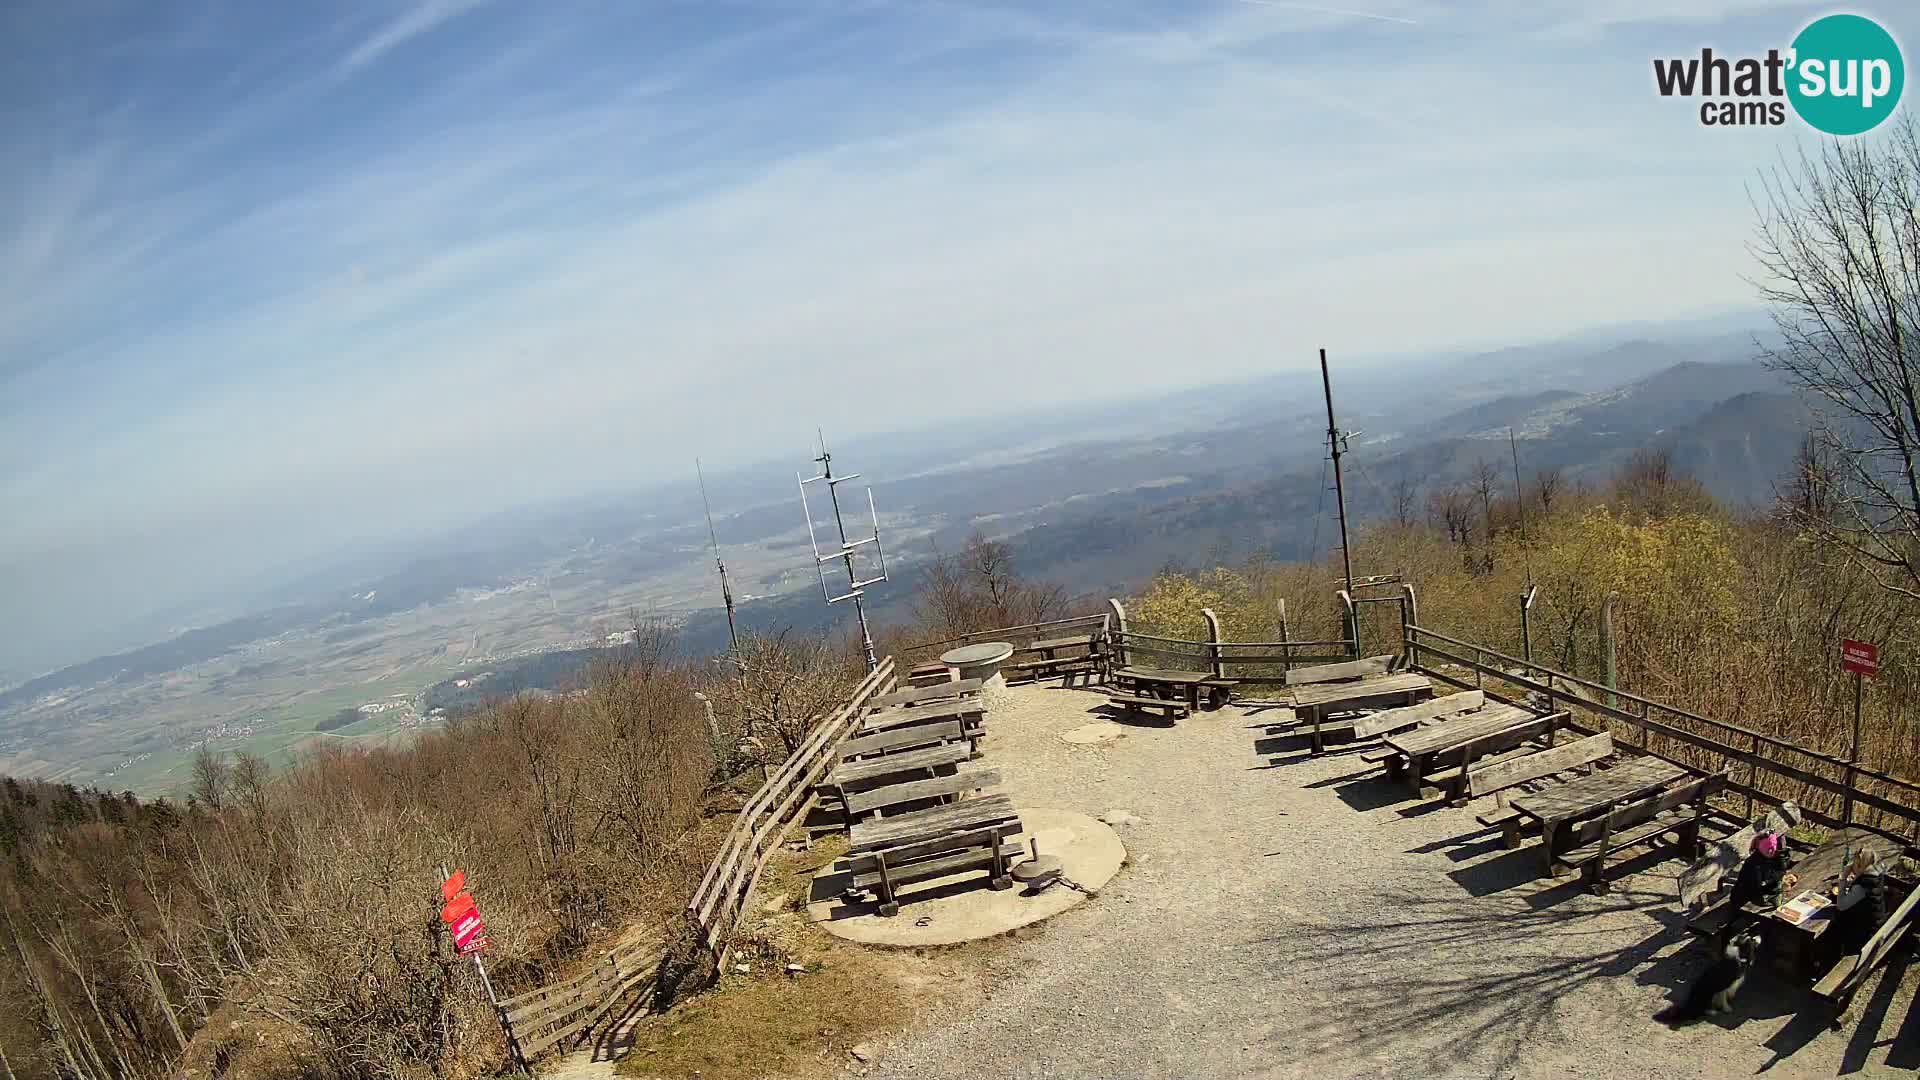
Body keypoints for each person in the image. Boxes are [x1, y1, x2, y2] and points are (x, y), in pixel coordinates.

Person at [1727, 830, 1789, 910]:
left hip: (1764, 892)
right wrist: (1771, 882)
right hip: (1745, 899)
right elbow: (1755, 885)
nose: (1771, 851)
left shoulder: (1777, 857)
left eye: (1773, 848)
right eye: (1768, 848)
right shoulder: (1753, 863)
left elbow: (1781, 871)